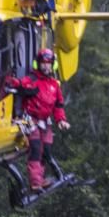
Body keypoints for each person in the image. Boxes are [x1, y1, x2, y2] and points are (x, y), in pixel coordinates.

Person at [7, 48, 71, 191]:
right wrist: (9, 81)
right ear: (38, 64)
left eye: (48, 63)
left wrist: (61, 120)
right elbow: (20, 84)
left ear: (52, 64)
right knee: (36, 148)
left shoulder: (54, 85)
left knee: (46, 150)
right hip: (30, 119)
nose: (45, 66)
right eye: (43, 62)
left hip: (45, 121)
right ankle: (35, 182)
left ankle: (40, 179)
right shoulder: (32, 79)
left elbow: (58, 105)